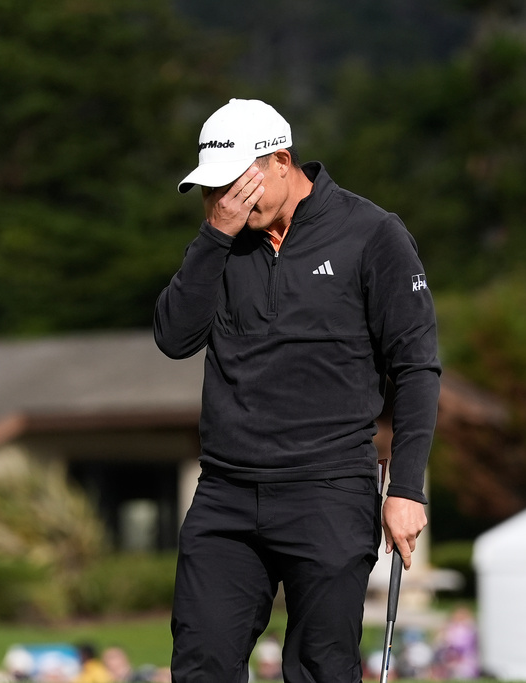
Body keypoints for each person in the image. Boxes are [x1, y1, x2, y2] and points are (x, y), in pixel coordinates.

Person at [155, 98, 441, 682]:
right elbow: (174, 337)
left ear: (280, 161)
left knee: (318, 669)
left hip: (330, 491)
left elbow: (415, 366)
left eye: (234, 187)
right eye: (212, 192)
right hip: (227, 494)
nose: (224, 202)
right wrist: (212, 238)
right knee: (200, 664)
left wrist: (407, 489)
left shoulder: (373, 235)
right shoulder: (220, 241)